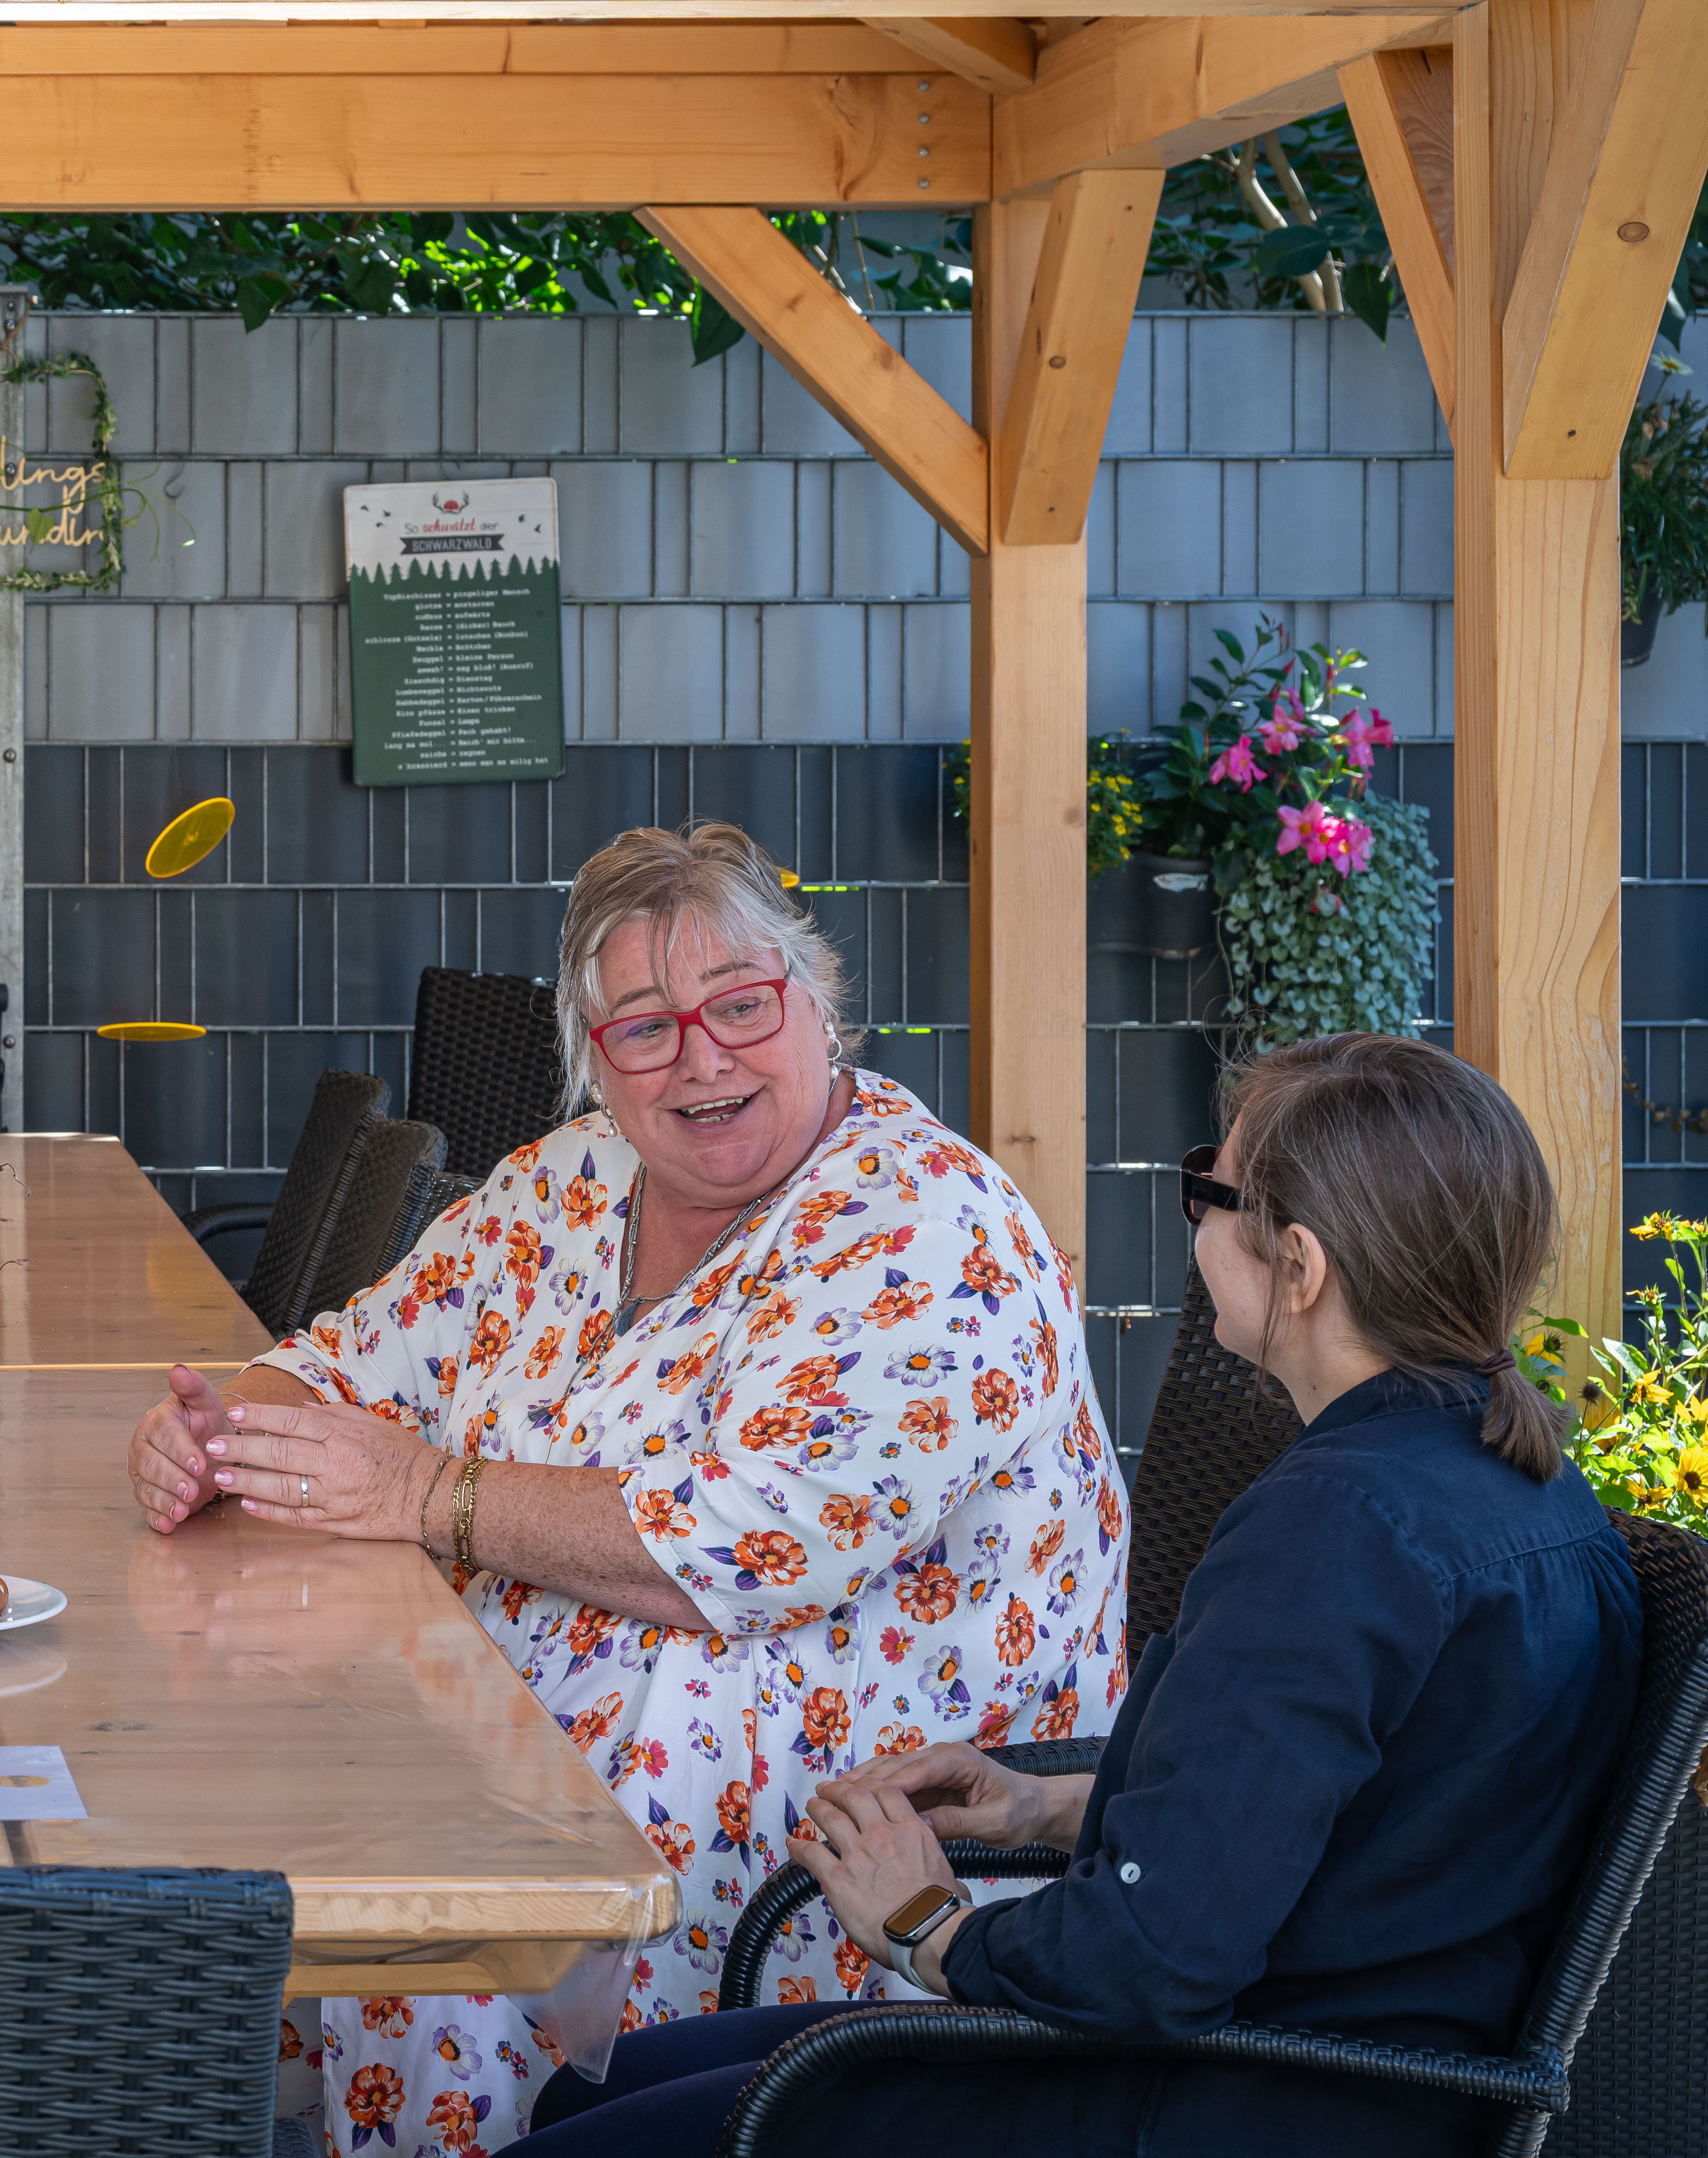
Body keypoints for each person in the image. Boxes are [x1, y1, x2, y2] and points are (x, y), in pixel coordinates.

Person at [127, 822, 1129, 2146]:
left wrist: (426, 1491)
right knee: (198, 1767)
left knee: (415, 1868)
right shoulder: (568, 1179)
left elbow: (749, 1546)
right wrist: (217, 1431)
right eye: (647, 1027)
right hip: (512, 1735)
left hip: (823, 1829)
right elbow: (346, 1362)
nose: (703, 1059)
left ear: (818, 1002)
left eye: (741, 1005)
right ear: (593, 1056)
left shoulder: (931, 1229)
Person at [488, 1031, 1645, 2157]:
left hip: (1219, 2095)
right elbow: (1372, 1824)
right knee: (602, 2085)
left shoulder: (1335, 1530)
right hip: (1361, 2086)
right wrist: (1050, 1806)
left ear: (1299, 1267)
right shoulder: (1534, 1493)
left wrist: (924, 1922)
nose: (1195, 1215)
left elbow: (1145, 1962)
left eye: (1211, 1188)